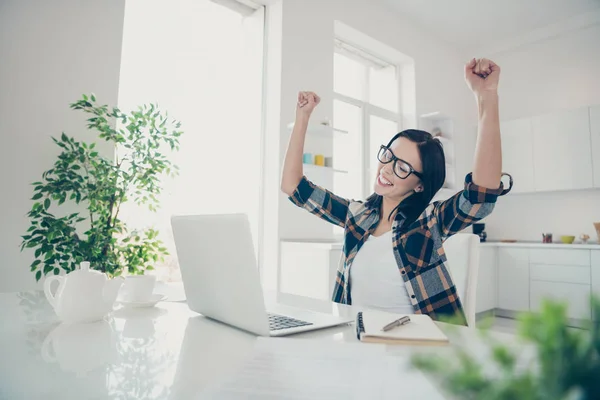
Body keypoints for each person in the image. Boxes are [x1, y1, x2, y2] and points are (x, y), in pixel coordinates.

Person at [281, 58, 512, 325]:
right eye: (388, 155)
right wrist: (303, 118)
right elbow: (293, 186)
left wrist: (487, 97)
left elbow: (480, 197)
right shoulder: (357, 216)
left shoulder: (428, 223)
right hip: (357, 344)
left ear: (420, 184)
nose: (387, 168)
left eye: (402, 166)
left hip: (418, 351)